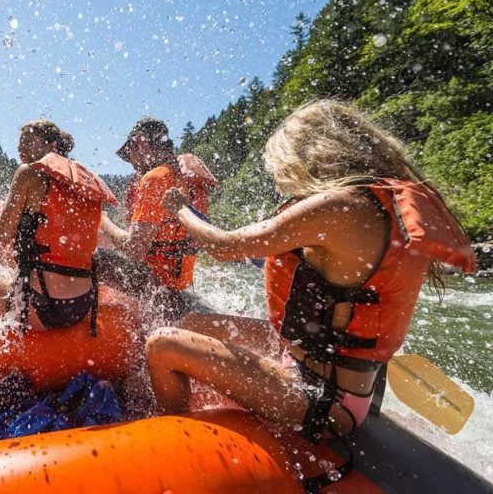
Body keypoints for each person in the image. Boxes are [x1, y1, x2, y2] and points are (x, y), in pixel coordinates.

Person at [144, 101, 475, 489]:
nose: (285, 180)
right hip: (326, 364)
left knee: (161, 344)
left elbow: (225, 247)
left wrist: (179, 208)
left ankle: (177, 447)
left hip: (323, 397)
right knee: (195, 323)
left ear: (308, 156)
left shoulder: (340, 206)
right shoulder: (378, 203)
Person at [0, 120, 117, 334]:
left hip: (43, 302)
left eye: (27, 141)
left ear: (51, 146)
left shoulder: (28, 173)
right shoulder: (84, 184)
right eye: (19, 142)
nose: (20, 148)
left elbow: (2, 235)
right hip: (82, 303)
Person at [96, 117, 218, 318]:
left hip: (157, 289)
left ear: (141, 143)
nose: (133, 164)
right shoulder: (192, 182)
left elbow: (135, 249)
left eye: (132, 153)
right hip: (180, 287)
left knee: (96, 258)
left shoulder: (154, 178)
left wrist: (105, 222)